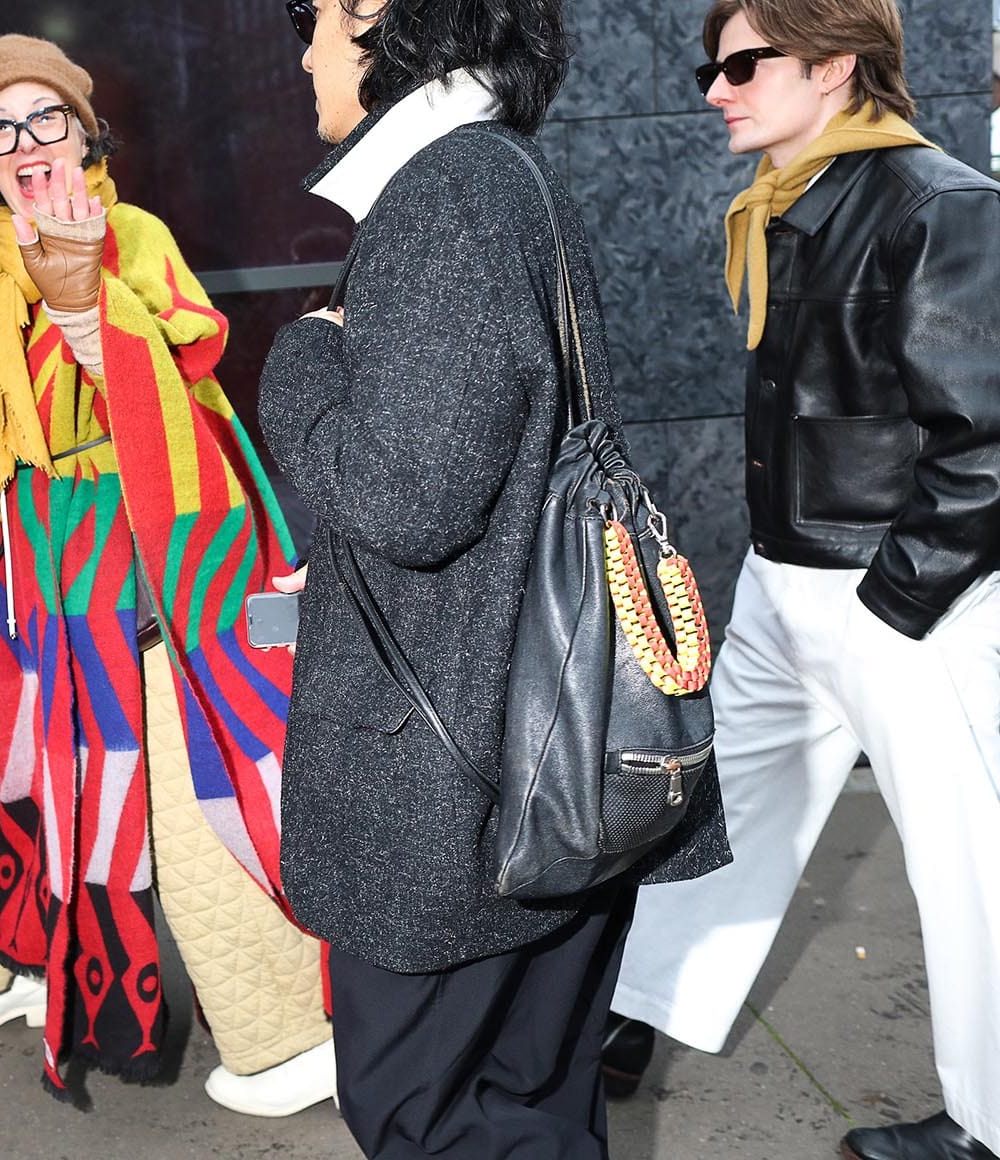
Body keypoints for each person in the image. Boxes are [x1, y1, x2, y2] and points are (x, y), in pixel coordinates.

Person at [255, 1, 730, 1157]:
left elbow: (405, 503)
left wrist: (303, 354)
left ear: (379, 16)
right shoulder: (505, 177)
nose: (307, 53)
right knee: (528, 1110)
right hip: (539, 754)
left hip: (460, 791)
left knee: (429, 1115)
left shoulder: (447, 195)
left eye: (315, 20)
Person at [0, 33, 336, 1117]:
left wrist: (90, 299)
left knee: (180, 782)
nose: (25, 142)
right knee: (14, 776)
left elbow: (187, 357)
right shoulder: (1, 266)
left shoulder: (130, 231)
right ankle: (25, 973)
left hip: (149, 548)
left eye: (47, 119)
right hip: (33, 560)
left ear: (89, 139)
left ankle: (283, 1035)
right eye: (0, 130)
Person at [604, 2, 1000, 1159]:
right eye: (708, 63)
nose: (714, 87)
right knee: (719, 815)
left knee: (968, 869)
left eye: (741, 62)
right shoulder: (791, 202)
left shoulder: (938, 204)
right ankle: (635, 1015)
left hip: (901, 597)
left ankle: (988, 1123)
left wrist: (896, 602)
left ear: (832, 67)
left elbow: (985, 439)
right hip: (787, 583)